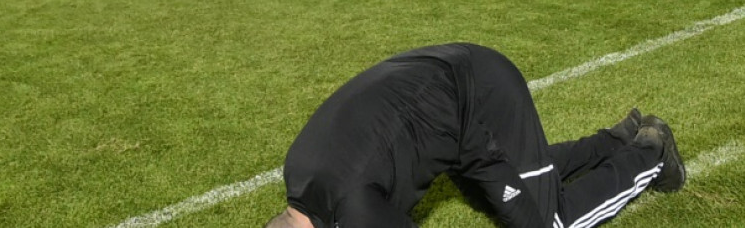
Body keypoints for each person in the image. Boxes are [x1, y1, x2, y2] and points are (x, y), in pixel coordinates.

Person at [266, 42, 685, 228]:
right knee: (495, 193)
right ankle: (616, 138)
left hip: (482, 96)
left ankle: (651, 152)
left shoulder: (356, 211)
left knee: (548, 222)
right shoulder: (296, 170)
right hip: (441, 85)